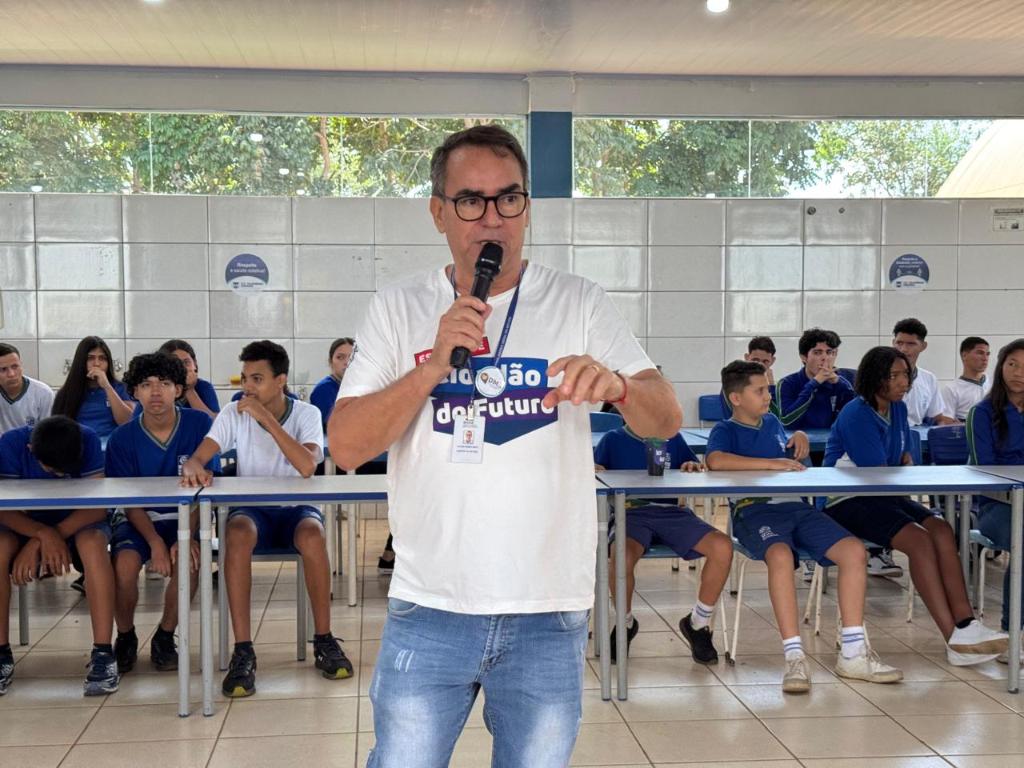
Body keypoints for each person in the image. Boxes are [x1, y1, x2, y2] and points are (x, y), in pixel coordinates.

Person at [329, 124, 681, 768]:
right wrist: (431, 367)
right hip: (431, 603)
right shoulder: (398, 305)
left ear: (527, 208)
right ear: (438, 212)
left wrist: (619, 387)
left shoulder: (579, 302)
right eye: (470, 200)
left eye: (508, 199)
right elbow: (346, 444)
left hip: (546, 610)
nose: (491, 218)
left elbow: (665, 417)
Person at [706, 360, 903, 692]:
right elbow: (716, 460)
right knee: (781, 556)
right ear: (736, 398)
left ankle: (853, 653)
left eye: (768, 389)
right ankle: (794, 657)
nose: (768, 395)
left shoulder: (771, 422)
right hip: (755, 513)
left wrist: (795, 435)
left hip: (797, 509)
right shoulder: (724, 429)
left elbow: (784, 441)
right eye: (760, 390)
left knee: (853, 551)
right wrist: (771, 464)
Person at [180, 340, 353, 697]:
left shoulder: (306, 414)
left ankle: (323, 639)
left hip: (296, 509)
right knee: (237, 534)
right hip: (252, 510)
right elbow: (199, 457)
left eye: (257, 378)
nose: (248, 387)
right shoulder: (233, 413)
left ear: (281, 380)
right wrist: (195, 467)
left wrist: (268, 421)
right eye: (245, 378)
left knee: (312, 536)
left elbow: (307, 466)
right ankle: (243, 649)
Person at [823, 346, 1007, 665]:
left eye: (906, 374)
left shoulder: (896, 409)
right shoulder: (856, 414)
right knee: (919, 540)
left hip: (883, 494)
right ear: (875, 379)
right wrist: (899, 462)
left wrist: (899, 462)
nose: (903, 381)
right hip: (846, 499)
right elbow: (880, 468)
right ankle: (953, 639)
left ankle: (967, 623)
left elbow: (905, 459)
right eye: (894, 375)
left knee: (941, 528)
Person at [107, 353, 219, 674]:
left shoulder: (199, 425)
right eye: (146, 385)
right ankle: (126, 636)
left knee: (191, 562)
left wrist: (186, 536)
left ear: (179, 389)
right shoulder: (122, 438)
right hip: (140, 522)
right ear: (134, 392)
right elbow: (130, 503)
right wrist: (156, 543)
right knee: (125, 566)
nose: (155, 392)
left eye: (165, 384)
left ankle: (165, 636)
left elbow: (203, 489)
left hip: (188, 516)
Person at [0, 416, 118, 696]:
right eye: (50, 469)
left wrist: (51, 535)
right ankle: (2, 653)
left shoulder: (87, 440)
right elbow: (3, 509)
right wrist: (40, 535)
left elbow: (98, 508)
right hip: (24, 525)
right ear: (30, 449)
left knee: (93, 545)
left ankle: (103, 653)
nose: (57, 475)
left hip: (77, 523)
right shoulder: (10, 445)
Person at [594, 426, 732, 665]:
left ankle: (697, 624)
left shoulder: (673, 438)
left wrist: (692, 466)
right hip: (631, 512)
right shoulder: (612, 439)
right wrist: (594, 470)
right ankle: (625, 623)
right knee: (621, 557)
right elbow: (594, 474)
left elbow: (693, 466)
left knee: (722, 547)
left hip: (672, 514)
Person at [967, 338, 1024, 663]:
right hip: (995, 505)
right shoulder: (982, 413)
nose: (1018, 373)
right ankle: (1010, 632)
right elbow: (984, 470)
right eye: (1012, 364)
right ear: (1001, 367)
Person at [52, 336, 135, 441]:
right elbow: (56, 430)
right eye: (90, 358)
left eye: (102, 358)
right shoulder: (66, 393)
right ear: (81, 361)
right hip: (80, 450)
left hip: (112, 450)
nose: (97, 363)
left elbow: (128, 422)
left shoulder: (120, 389)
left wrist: (107, 387)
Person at [778, 328, 856, 431]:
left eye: (829, 352)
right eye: (817, 353)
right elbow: (787, 421)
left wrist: (839, 385)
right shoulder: (787, 383)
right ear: (804, 357)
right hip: (799, 445)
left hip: (833, 445)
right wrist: (813, 384)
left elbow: (855, 419)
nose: (825, 358)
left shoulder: (844, 382)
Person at [892, 318, 957, 427]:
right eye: (899, 343)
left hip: (916, 438)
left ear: (923, 346)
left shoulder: (929, 379)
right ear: (893, 343)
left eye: (911, 344)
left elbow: (937, 417)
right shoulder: (879, 375)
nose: (903, 349)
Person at [720, 336, 780, 419]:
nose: (760, 365)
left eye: (765, 361)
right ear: (747, 357)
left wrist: (771, 387)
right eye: (755, 360)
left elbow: (776, 418)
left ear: (772, 361)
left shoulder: (773, 387)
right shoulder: (733, 382)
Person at [0, 342, 54, 434]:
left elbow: (49, 433)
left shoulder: (43, 393)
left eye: (15, 366)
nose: (11, 374)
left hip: (33, 446)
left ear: (21, 365)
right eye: (3, 369)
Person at [158, 339, 220, 418]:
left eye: (186, 362)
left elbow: (215, 424)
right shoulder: (156, 388)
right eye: (175, 363)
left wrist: (189, 390)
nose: (182, 368)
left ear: (195, 363)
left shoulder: (203, 387)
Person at [310, 337, 354, 429]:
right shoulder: (323, 390)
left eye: (352, 357)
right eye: (340, 357)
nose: (346, 362)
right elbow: (338, 428)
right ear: (330, 362)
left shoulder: (357, 388)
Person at [944, 336, 991, 421]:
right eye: (980, 353)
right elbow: (946, 422)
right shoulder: (951, 389)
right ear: (964, 355)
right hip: (967, 432)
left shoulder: (996, 383)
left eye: (987, 354)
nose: (985, 358)